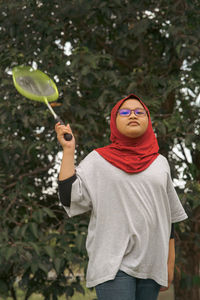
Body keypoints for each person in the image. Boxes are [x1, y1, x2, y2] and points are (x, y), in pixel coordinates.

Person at [55, 93, 188, 300]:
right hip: (113, 263)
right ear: (115, 121)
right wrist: (69, 150)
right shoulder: (97, 160)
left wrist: (169, 264)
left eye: (139, 112)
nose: (133, 116)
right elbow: (68, 198)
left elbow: (167, 216)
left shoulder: (160, 163)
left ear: (148, 119)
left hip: (151, 265)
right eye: (125, 112)